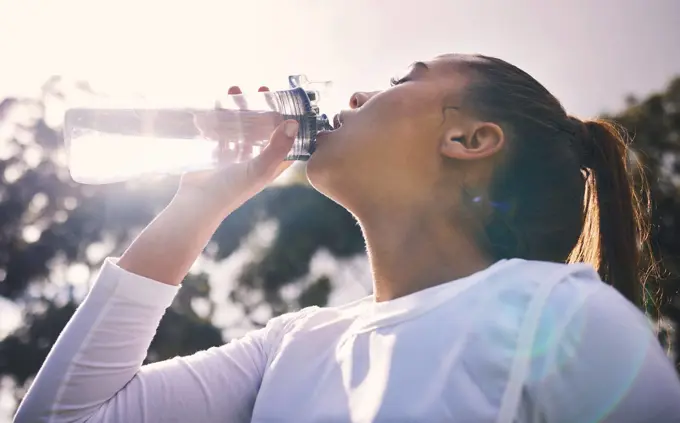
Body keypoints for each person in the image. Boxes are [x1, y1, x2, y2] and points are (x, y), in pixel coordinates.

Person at [15, 54, 680, 423]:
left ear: (469, 139)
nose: (358, 95)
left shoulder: (561, 314)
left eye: (403, 80)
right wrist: (200, 202)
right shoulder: (293, 344)